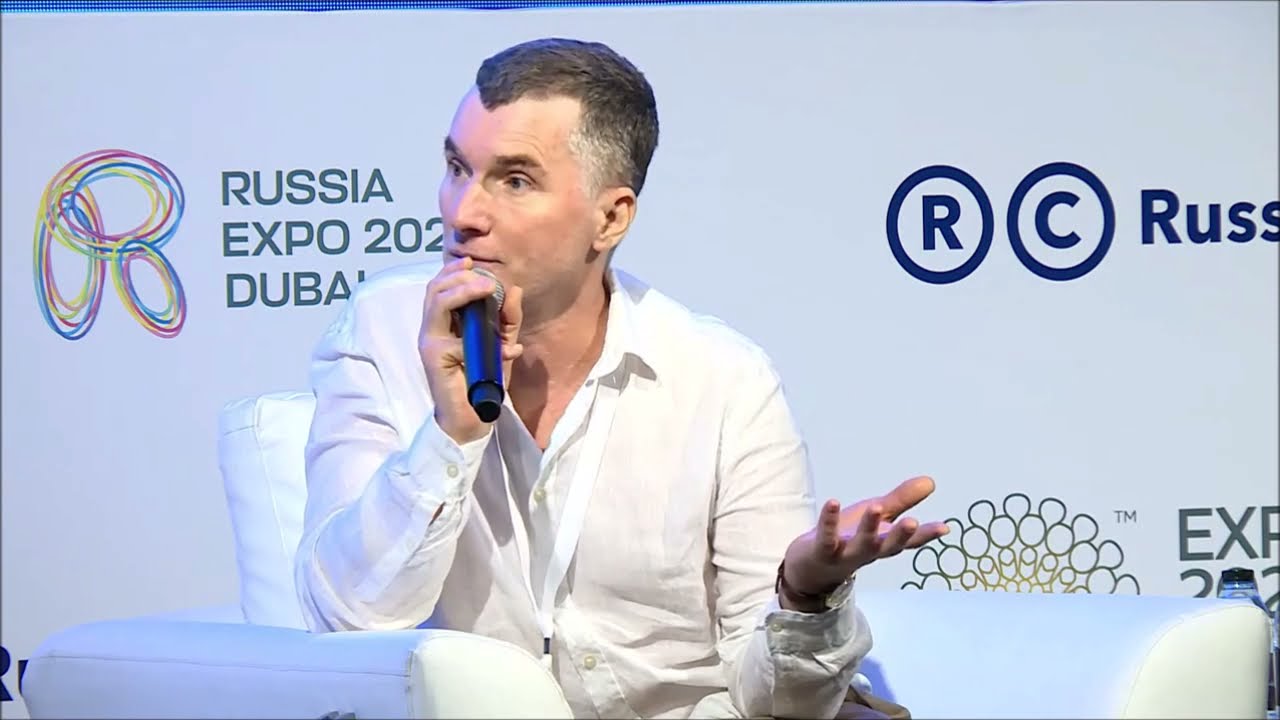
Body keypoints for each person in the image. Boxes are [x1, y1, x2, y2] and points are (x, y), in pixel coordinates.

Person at [294, 37, 947, 719]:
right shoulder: (381, 333)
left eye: (515, 181)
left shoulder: (723, 380)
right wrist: (449, 435)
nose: (463, 213)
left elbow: (781, 703)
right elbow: (345, 620)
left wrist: (804, 597)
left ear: (611, 217)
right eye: (458, 168)